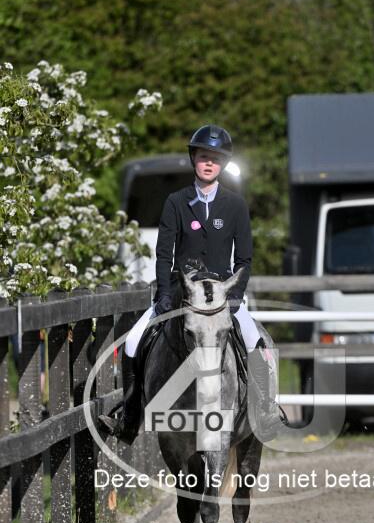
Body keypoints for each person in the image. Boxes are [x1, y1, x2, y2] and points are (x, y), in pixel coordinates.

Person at [99, 124, 282, 442]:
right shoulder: (176, 202)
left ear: (223, 163)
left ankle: (265, 410)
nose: (209, 163)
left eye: (215, 158)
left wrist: (235, 295)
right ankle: (130, 416)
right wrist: (164, 295)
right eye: (203, 157)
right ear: (193, 159)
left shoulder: (235, 205)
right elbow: (163, 254)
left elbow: (244, 259)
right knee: (132, 342)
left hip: (223, 294)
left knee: (255, 341)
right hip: (182, 293)